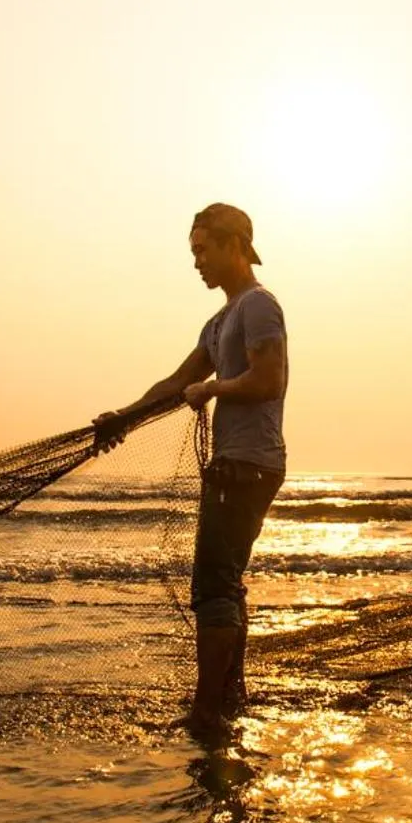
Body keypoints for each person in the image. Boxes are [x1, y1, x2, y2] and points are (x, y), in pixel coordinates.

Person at [99, 204, 288, 739]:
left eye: (203, 250)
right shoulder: (219, 321)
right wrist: (125, 417)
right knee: (227, 583)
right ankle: (231, 696)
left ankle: (208, 713)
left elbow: (268, 379)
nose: (197, 262)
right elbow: (176, 380)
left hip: (250, 464)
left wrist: (214, 389)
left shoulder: (259, 307)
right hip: (235, 463)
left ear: (235, 246)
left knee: (212, 587)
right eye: (193, 252)